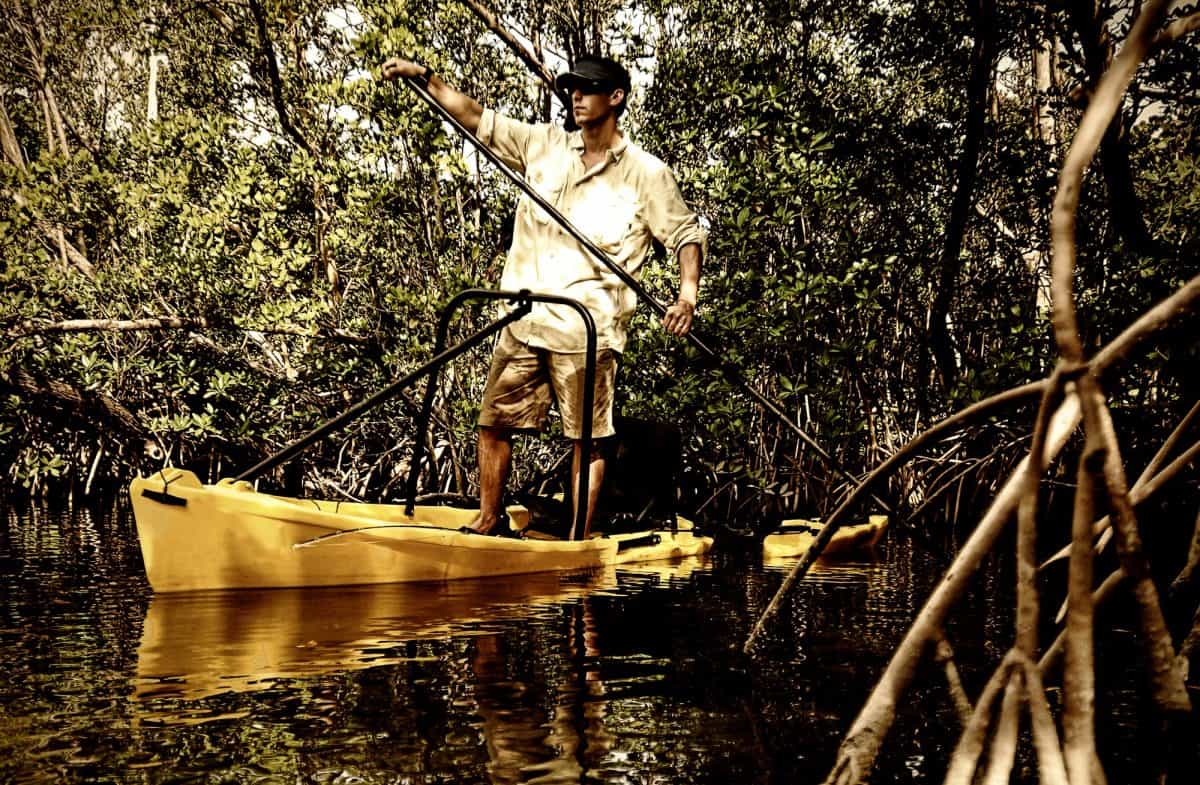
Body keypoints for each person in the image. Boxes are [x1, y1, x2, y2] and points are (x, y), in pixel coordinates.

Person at [381, 54, 706, 538]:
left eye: (588, 88)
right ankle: (488, 520)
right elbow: (475, 118)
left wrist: (686, 297)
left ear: (615, 98)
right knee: (493, 421)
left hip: (587, 330)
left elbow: (684, 235)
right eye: (573, 87)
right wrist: (425, 78)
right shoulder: (544, 143)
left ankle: (575, 540)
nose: (576, 96)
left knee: (586, 440)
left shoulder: (646, 173)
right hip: (524, 319)